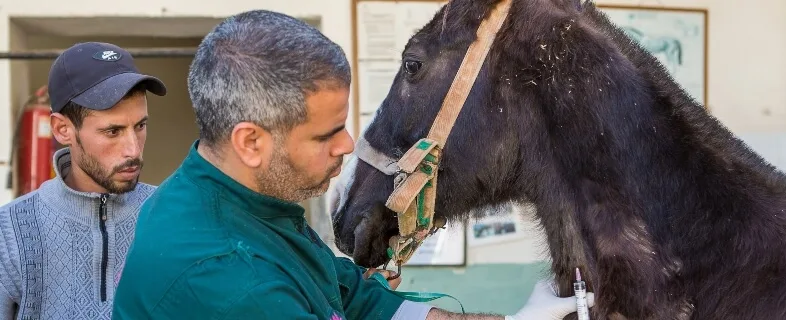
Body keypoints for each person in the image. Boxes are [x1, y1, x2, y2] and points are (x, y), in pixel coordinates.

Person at [111, 10, 593, 320]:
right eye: (325, 135)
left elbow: (352, 296)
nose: (347, 145)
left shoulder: (249, 204)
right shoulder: (233, 282)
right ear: (251, 142)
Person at [0, 42, 167, 319]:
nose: (133, 150)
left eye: (140, 126)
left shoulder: (171, 215)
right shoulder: (9, 232)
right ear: (62, 129)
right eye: (113, 131)